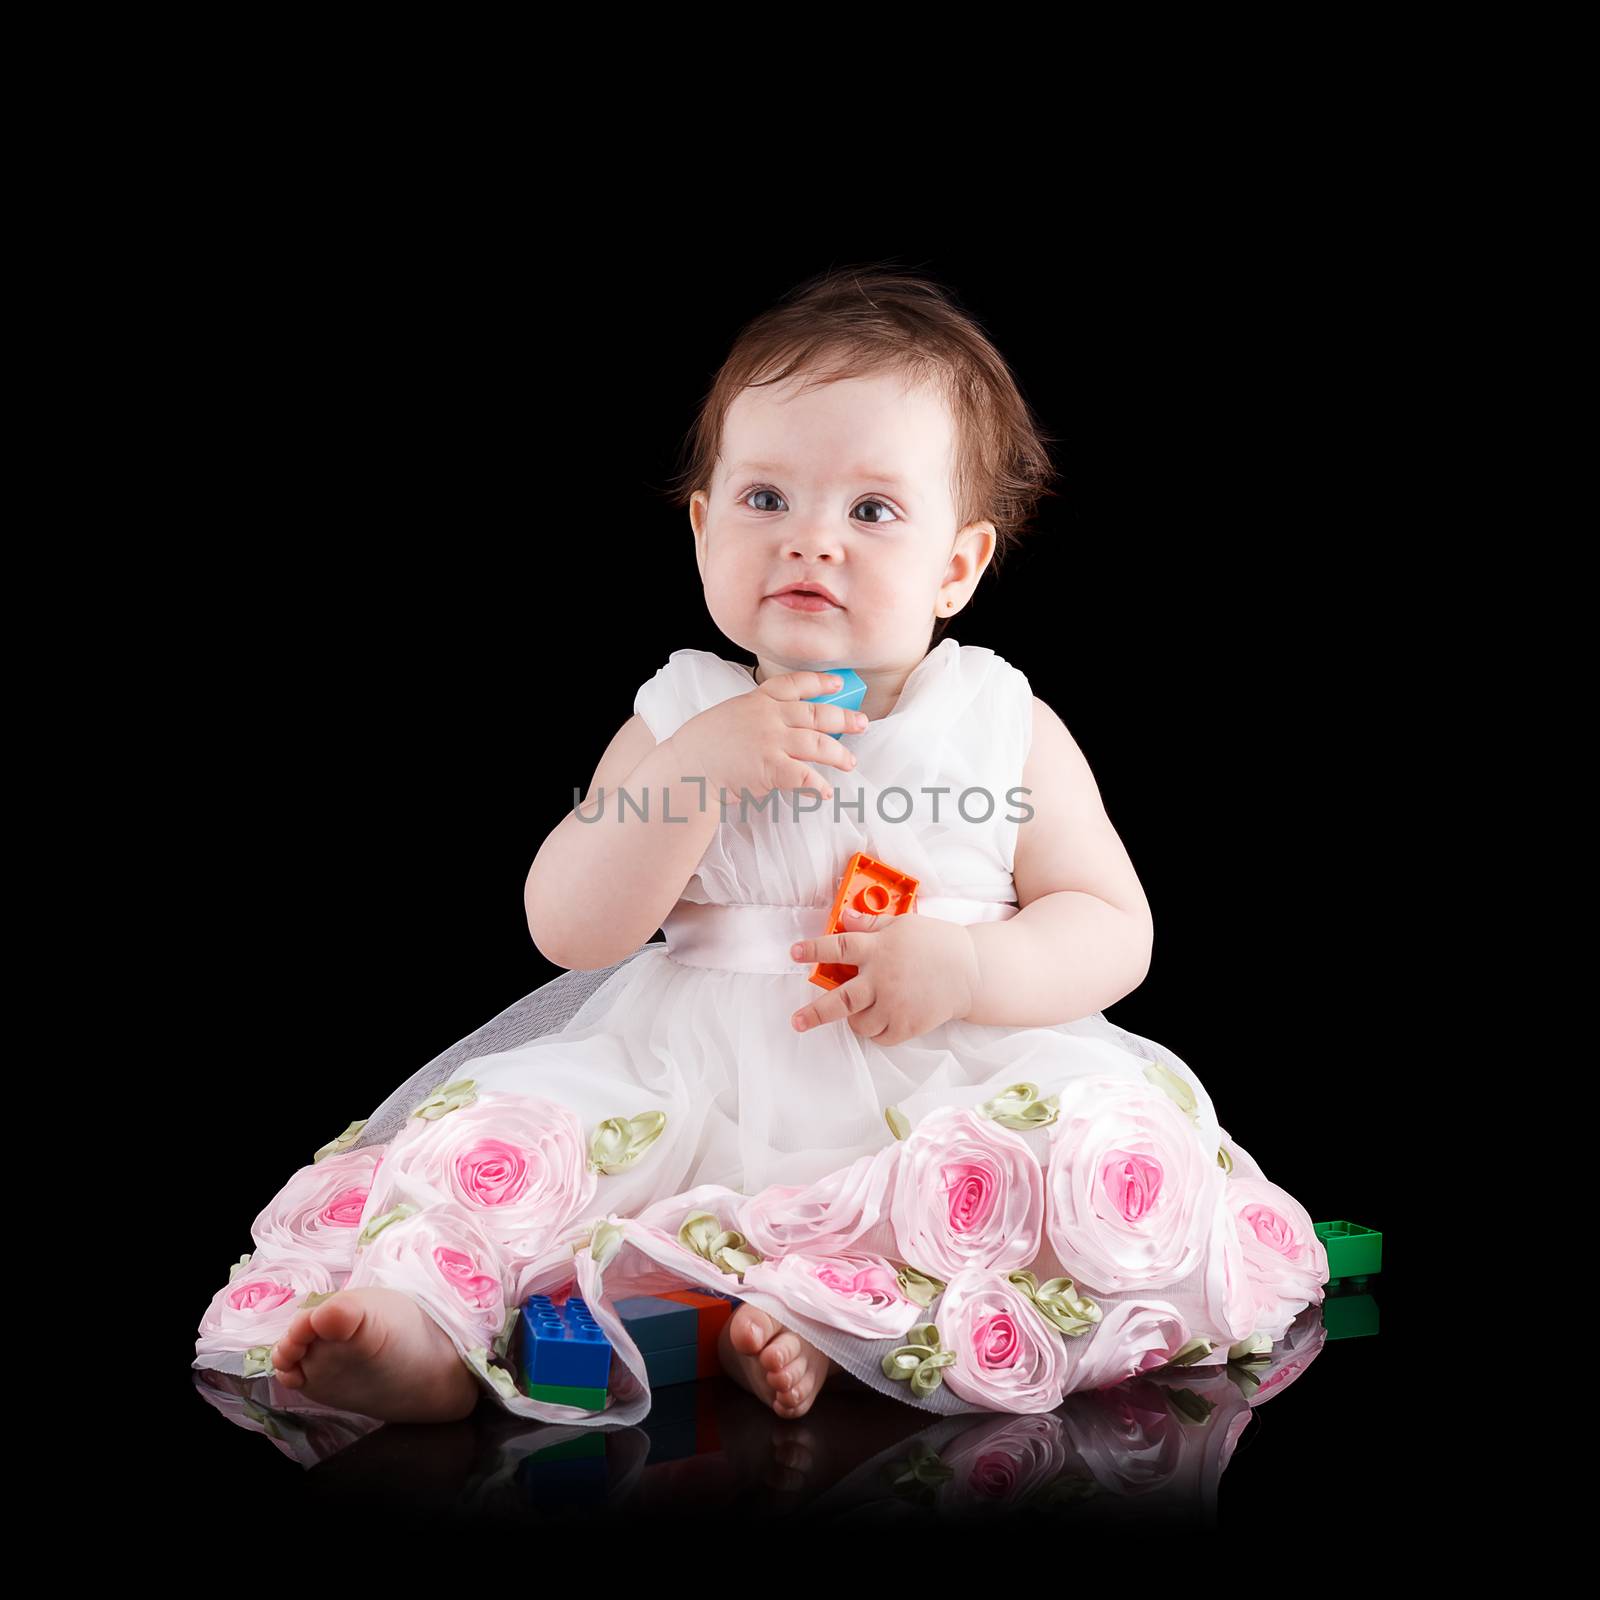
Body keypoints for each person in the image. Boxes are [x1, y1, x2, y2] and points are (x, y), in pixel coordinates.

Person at [194, 264, 1327, 1429]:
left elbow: (1109, 920)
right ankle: (422, 1333)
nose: (811, 543)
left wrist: (974, 968)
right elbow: (570, 924)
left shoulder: (1000, 725)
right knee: (496, 1154)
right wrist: (694, 776)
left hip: (941, 1062)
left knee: (1076, 1165)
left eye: (871, 511)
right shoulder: (680, 715)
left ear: (957, 565)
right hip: (688, 1073)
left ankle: (844, 1320)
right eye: (766, 498)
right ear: (701, 526)